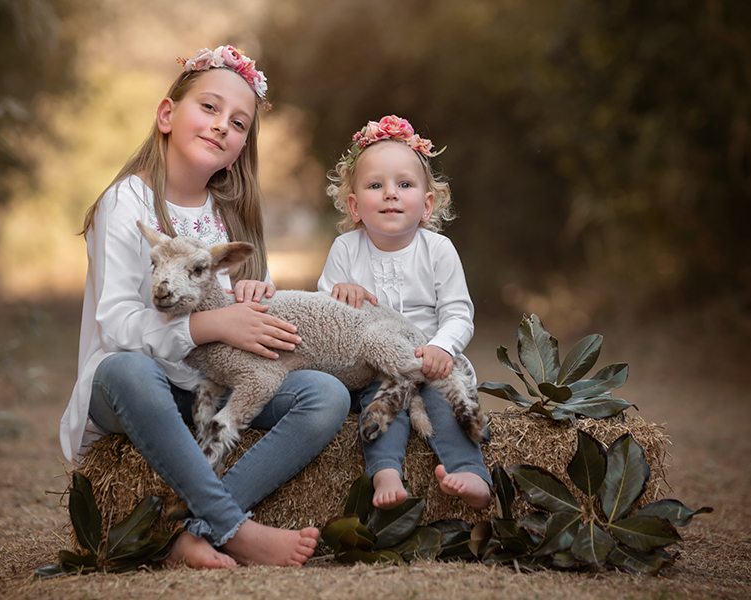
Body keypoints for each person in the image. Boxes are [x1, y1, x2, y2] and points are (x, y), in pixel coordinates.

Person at [59, 45, 351, 569]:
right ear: (168, 115)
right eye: (210, 108)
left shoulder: (231, 216)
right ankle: (233, 528)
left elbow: (250, 313)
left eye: (238, 123)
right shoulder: (127, 202)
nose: (222, 126)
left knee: (326, 394)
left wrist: (256, 298)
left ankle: (192, 533)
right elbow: (118, 325)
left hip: (209, 386)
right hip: (136, 390)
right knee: (127, 369)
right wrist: (211, 323)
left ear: (240, 147)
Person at [318, 115, 492, 511]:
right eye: (375, 185)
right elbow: (323, 312)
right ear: (355, 205)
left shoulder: (437, 251)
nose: (390, 194)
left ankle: (470, 470)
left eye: (405, 184)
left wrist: (442, 348)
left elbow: (458, 313)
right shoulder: (346, 249)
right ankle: (385, 473)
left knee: (448, 399)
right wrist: (338, 295)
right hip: (376, 364)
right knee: (379, 404)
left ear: (427, 204)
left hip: (429, 361)